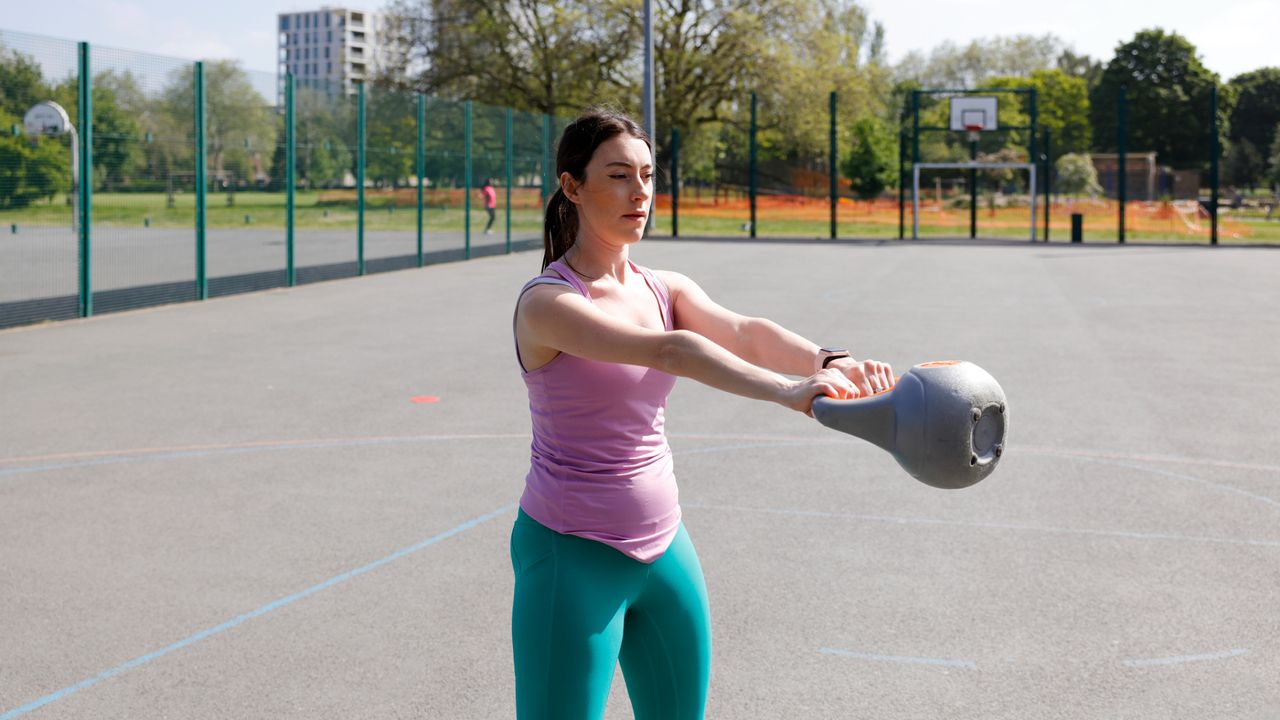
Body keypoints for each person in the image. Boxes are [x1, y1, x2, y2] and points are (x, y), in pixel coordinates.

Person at [510, 109, 896, 720]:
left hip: (664, 547)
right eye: (617, 176)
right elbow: (673, 350)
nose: (639, 192)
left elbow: (747, 330)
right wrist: (793, 390)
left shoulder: (663, 286)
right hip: (571, 554)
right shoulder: (548, 303)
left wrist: (831, 359)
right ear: (572, 186)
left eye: (646, 175)